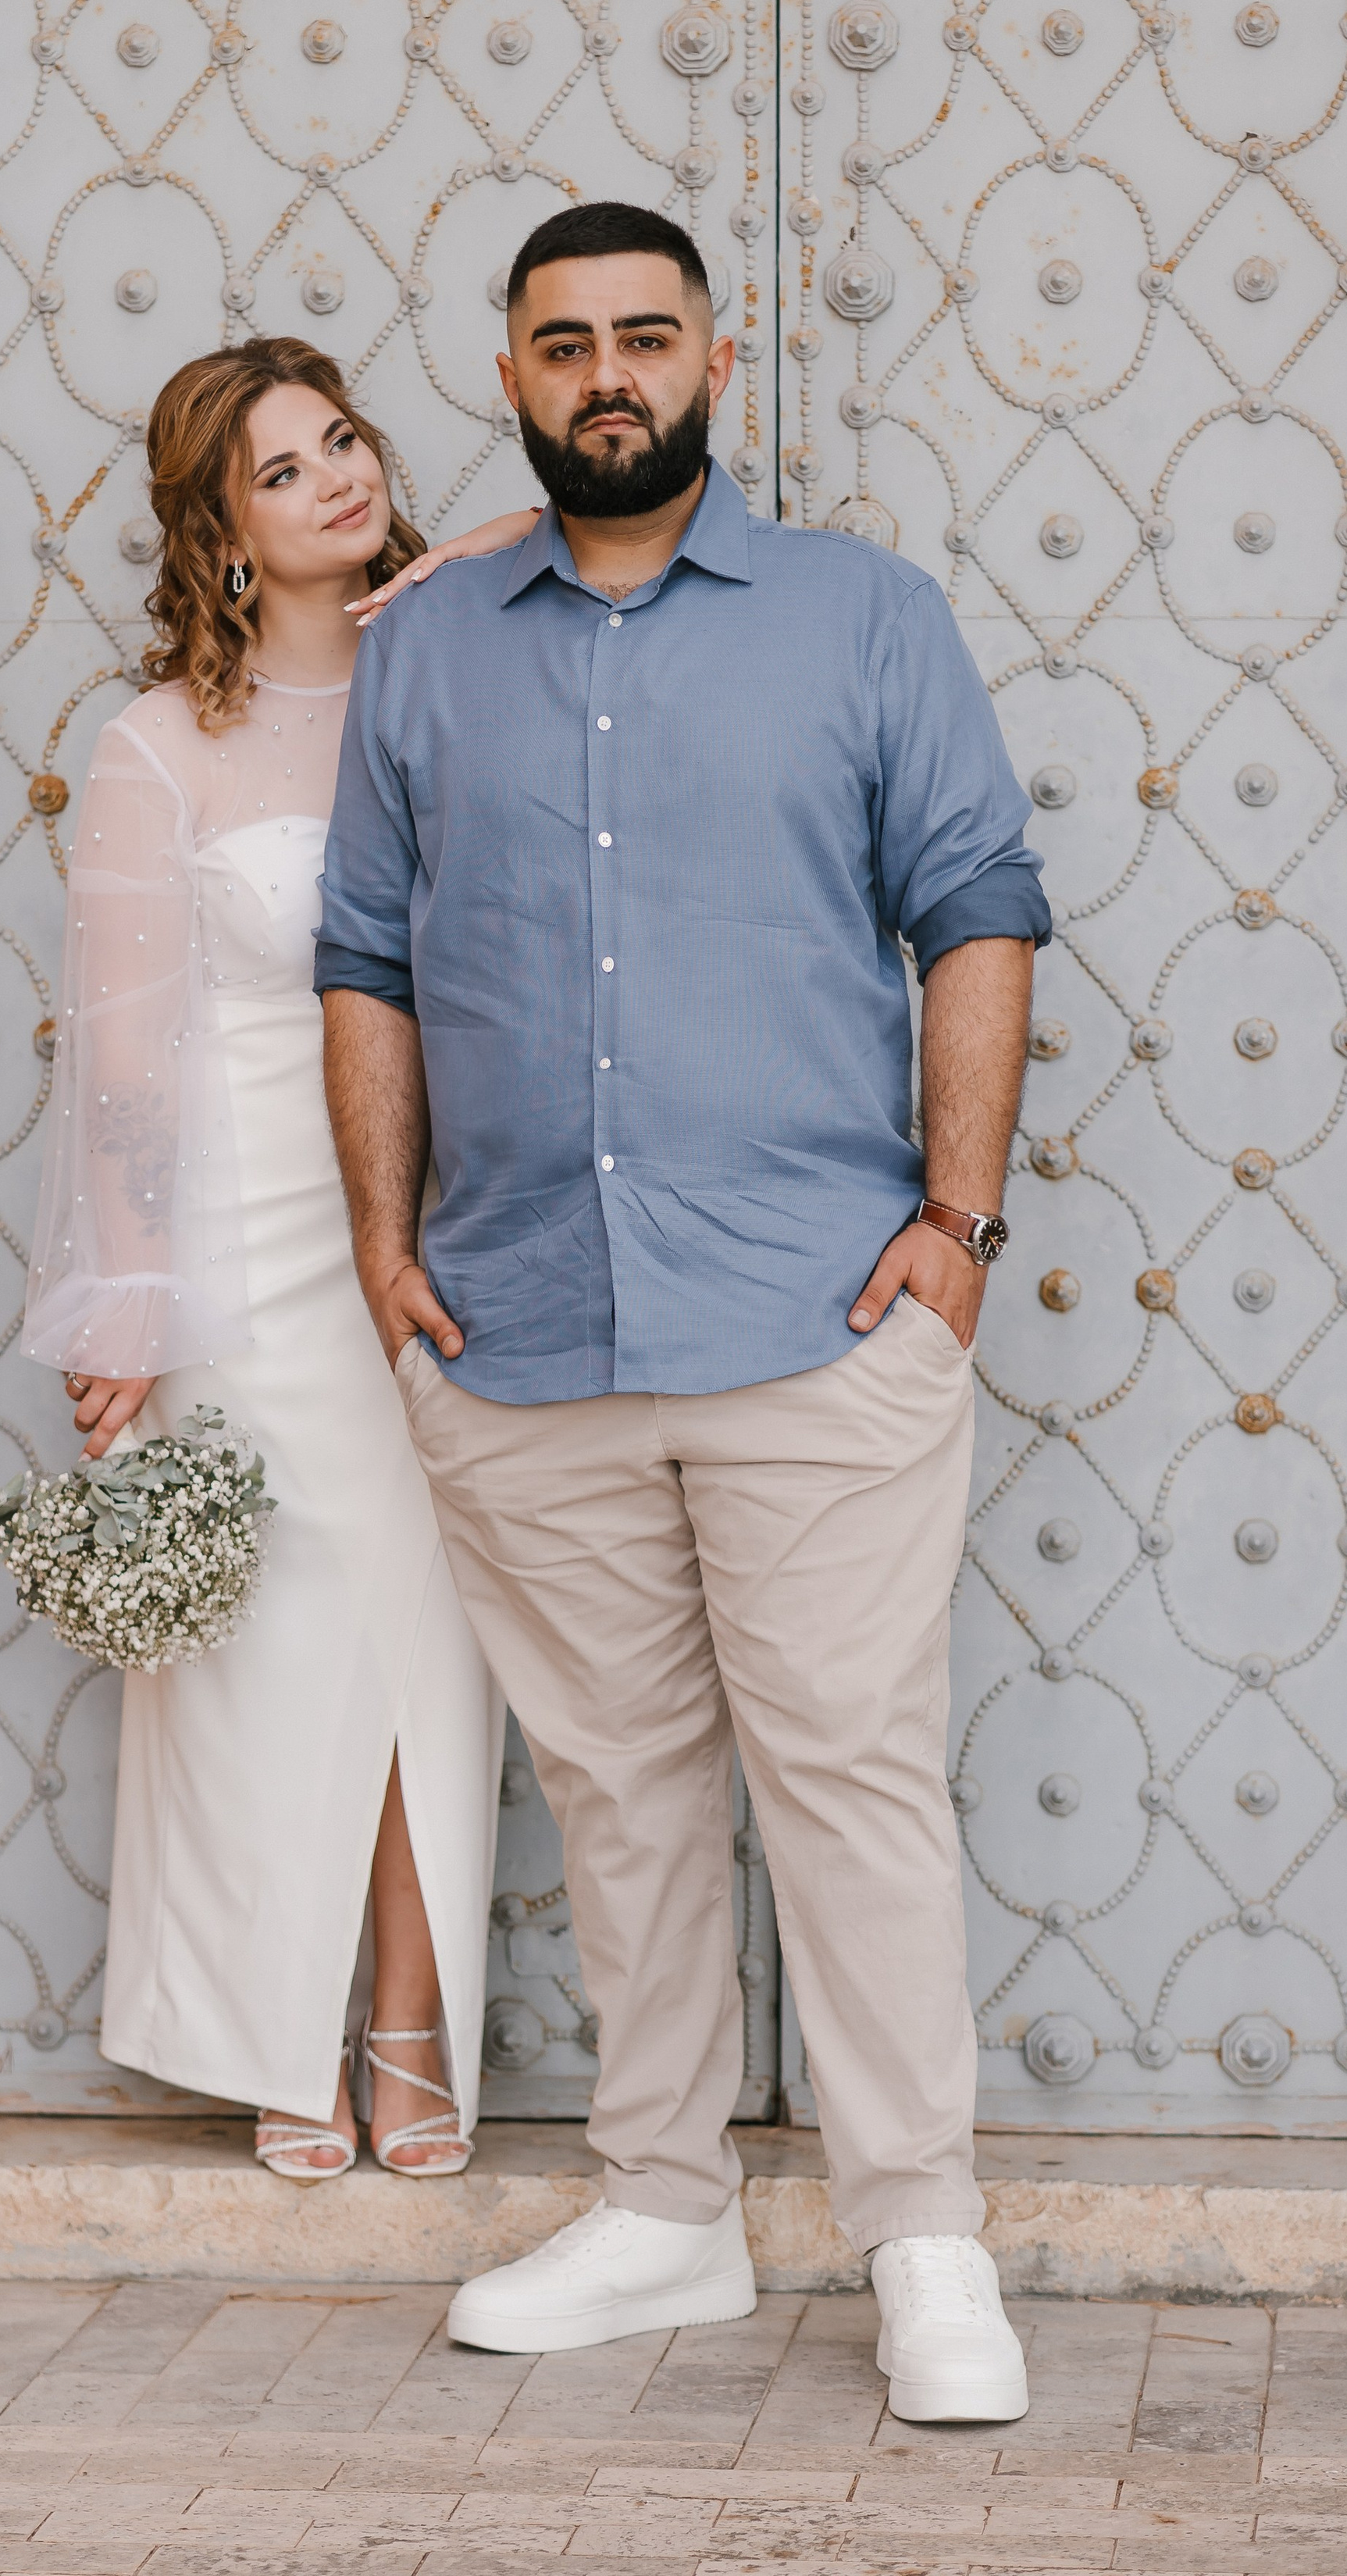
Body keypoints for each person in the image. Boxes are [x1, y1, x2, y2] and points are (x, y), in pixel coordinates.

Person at [318, 202, 1049, 2415]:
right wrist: (383, 1244)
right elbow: (362, 952)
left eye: (647, 336)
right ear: (513, 375)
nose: (607, 374)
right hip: (525, 1328)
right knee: (619, 1794)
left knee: (847, 1780)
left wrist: (958, 1226)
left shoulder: (863, 615)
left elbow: (981, 907)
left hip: (823, 1319)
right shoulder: (427, 652)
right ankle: (662, 2212)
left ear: (718, 362)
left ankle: (924, 2239)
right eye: (566, 344)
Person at [20, 337, 533, 2178]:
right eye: (277, 470)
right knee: (263, 1648)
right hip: (240, 1241)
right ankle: (268, 2030)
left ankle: (407, 2025)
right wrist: (127, 1310)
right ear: (221, 538)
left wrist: (451, 561)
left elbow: (582, 522)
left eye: (342, 444)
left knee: (429, 1640)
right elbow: (129, 1067)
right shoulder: (157, 746)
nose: (329, 477)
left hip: (431, 1231)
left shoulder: (444, 680)